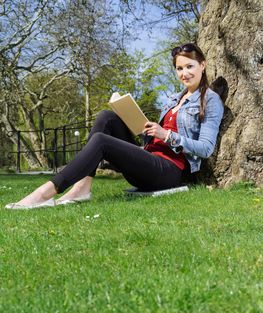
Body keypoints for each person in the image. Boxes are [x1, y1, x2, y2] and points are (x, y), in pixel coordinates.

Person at [5, 43, 224, 209]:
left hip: (168, 171)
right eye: (179, 68)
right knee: (106, 117)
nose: (184, 73)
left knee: (100, 141)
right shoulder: (174, 99)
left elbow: (205, 148)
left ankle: (45, 192)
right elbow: (154, 140)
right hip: (149, 158)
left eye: (189, 66)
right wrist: (142, 126)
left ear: (202, 65)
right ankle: (82, 187)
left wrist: (167, 135)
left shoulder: (210, 100)